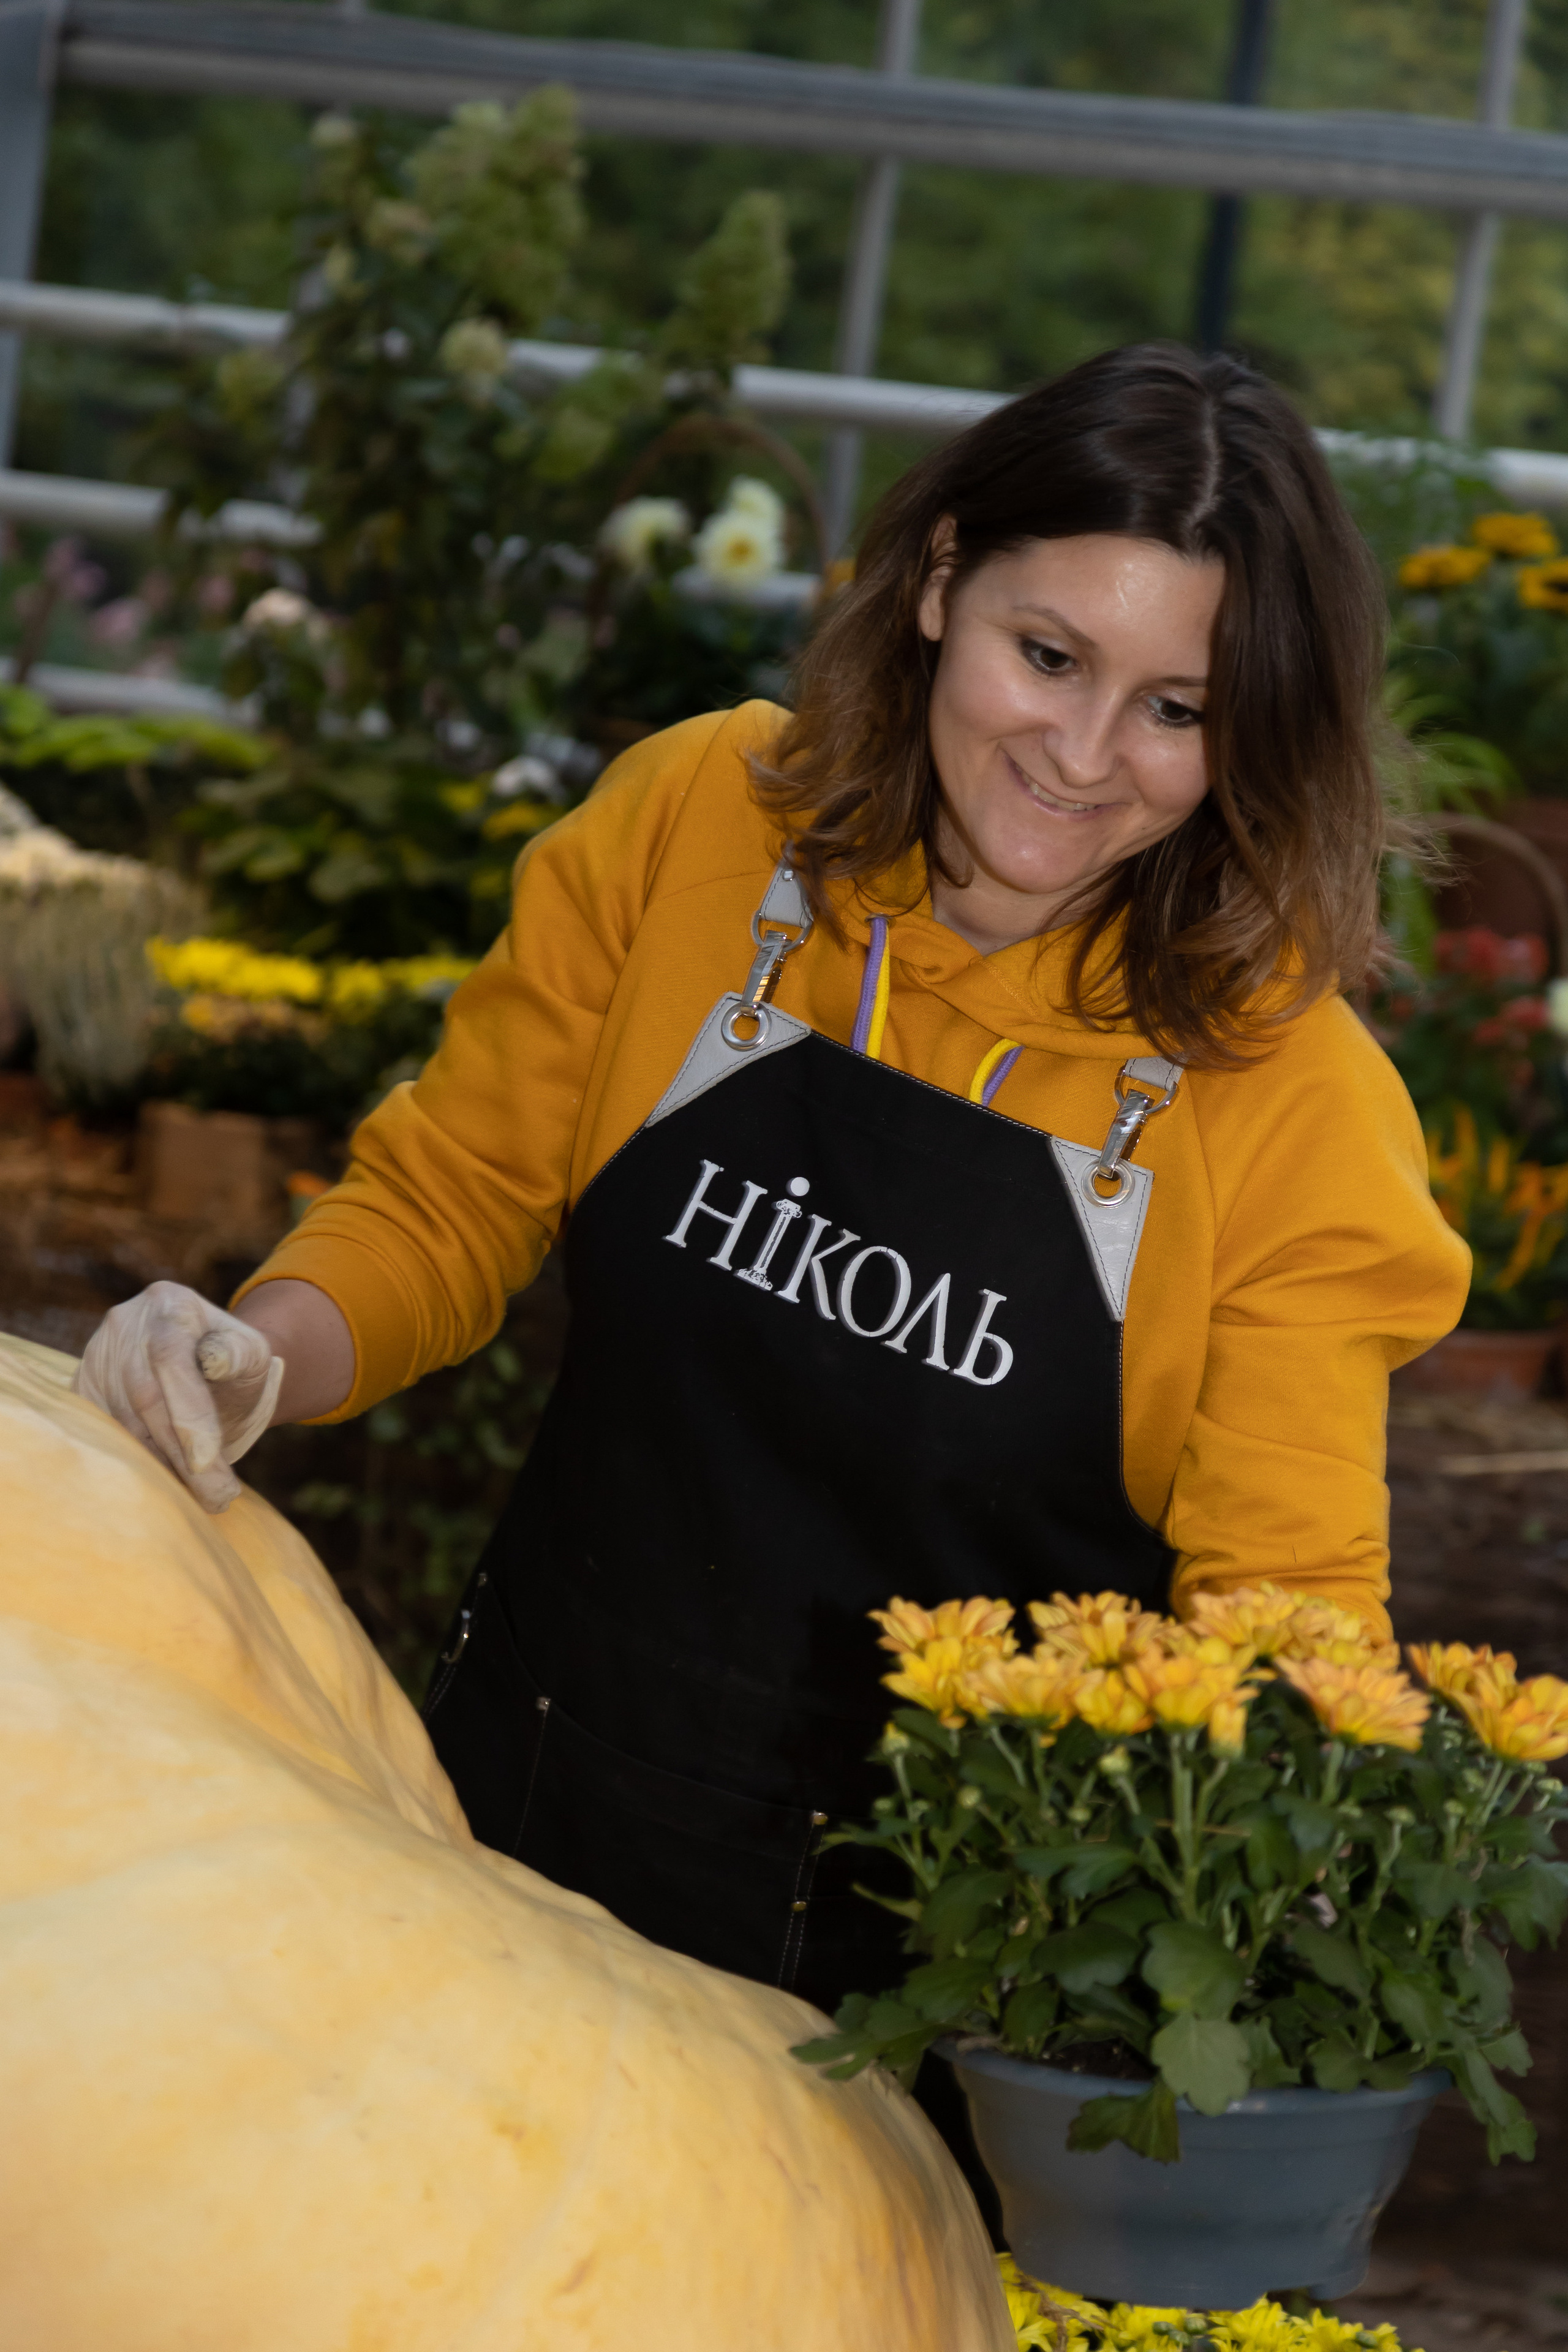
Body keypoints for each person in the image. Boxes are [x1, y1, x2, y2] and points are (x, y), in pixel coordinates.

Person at [77, 342, 1469, 2032]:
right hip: (515, 1833)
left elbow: (1285, 1602)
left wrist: (1317, 1910)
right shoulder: (701, 831)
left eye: (1178, 711)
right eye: (1050, 655)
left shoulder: (1292, 1103)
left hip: (932, 2006)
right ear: (942, 581)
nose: (1089, 754)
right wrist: (249, 1356)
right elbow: (446, 1203)